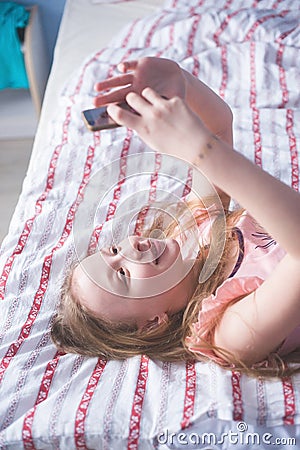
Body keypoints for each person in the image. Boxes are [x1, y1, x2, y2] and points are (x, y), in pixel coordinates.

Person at [51, 57, 300, 378]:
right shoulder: (227, 333)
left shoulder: (193, 233)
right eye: (124, 274)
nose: (131, 248)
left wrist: (181, 85)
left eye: (113, 251)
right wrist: (201, 150)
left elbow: (219, 125)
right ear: (153, 324)